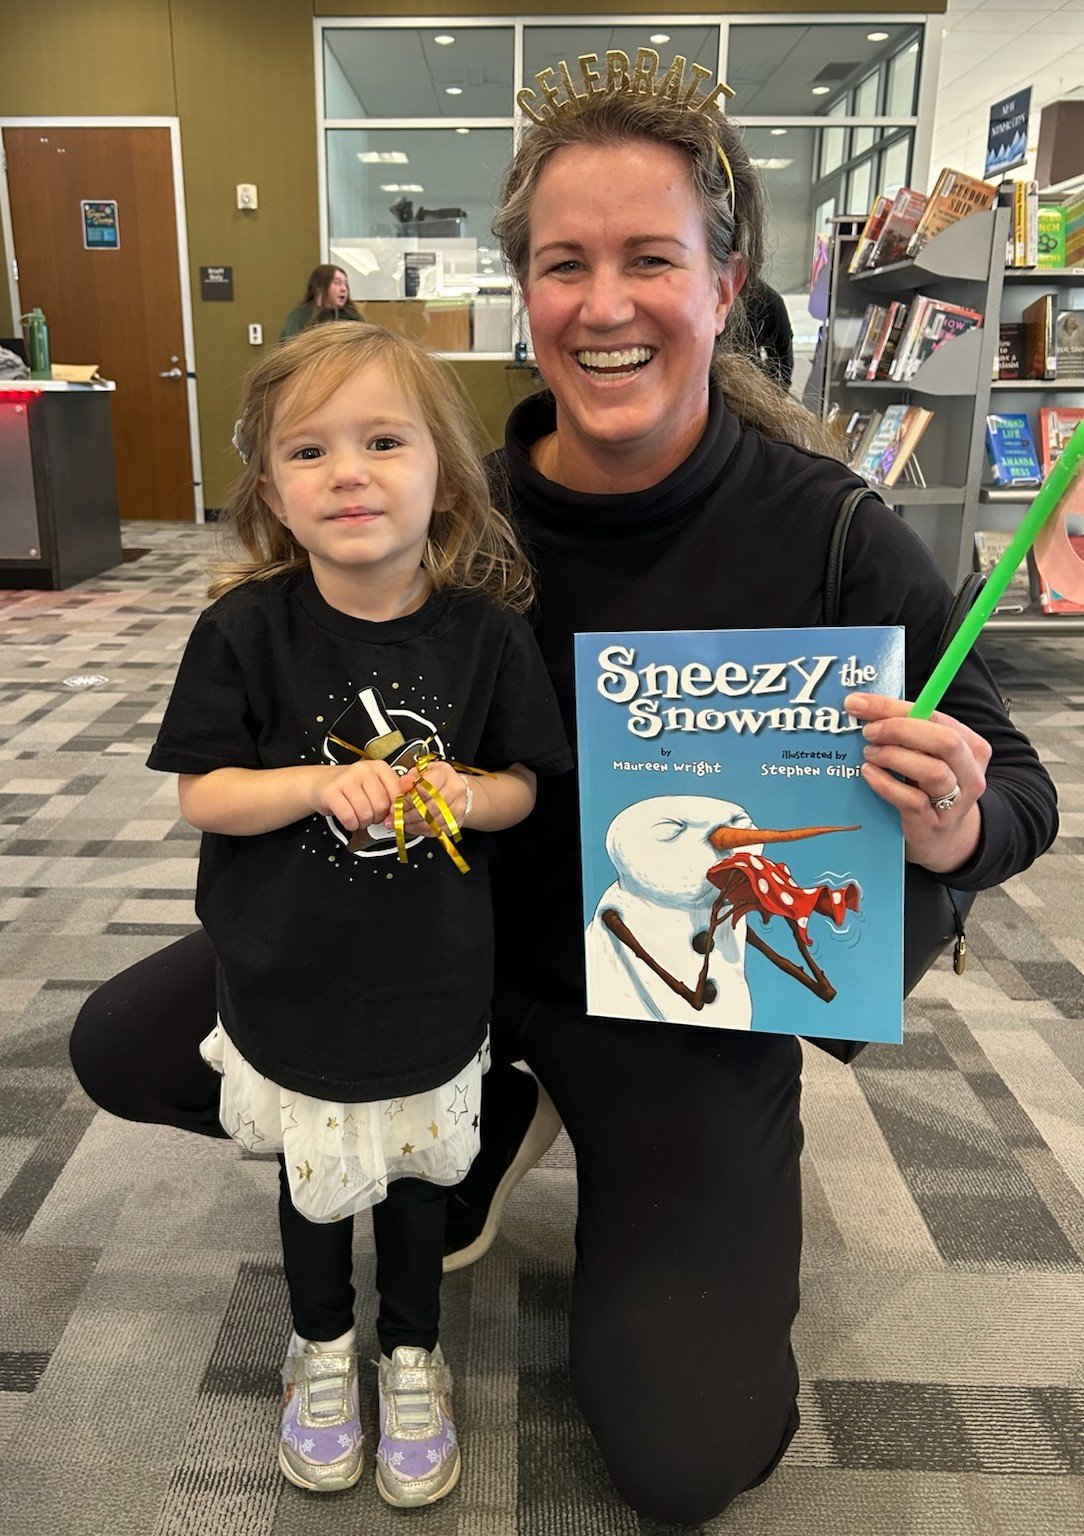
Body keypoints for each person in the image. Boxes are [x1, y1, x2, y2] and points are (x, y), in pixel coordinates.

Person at [71, 66, 1057, 1526]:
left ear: (727, 287)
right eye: (563, 265)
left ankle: (546, 1116)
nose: (605, 305)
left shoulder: (829, 533)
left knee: (684, 1457)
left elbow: (1017, 787)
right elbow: (295, 648)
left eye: (651, 259)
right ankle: (486, 1096)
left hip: (674, 996)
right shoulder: (453, 508)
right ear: (525, 292)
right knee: (130, 1048)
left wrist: (954, 815)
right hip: (426, 938)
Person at [142, 322, 570, 1505]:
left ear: (442, 475)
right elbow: (205, 795)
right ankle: (322, 1351)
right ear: (272, 489)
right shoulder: (243, 629)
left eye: (385, 441)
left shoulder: (485, 639)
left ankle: (411, 1354)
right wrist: (315, 785)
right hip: (289, 977)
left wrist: (461, 793)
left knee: (425, 1187)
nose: (348, 473)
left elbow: (524, 788)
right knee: (314, 1183)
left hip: (432, 978)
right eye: (309, 450)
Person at [279, 264, 363, 340]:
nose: (344, 289)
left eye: (345, 284)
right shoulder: (300, 316)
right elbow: (290, 347)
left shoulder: (352, 316)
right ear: (320, 287)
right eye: (337, 283)